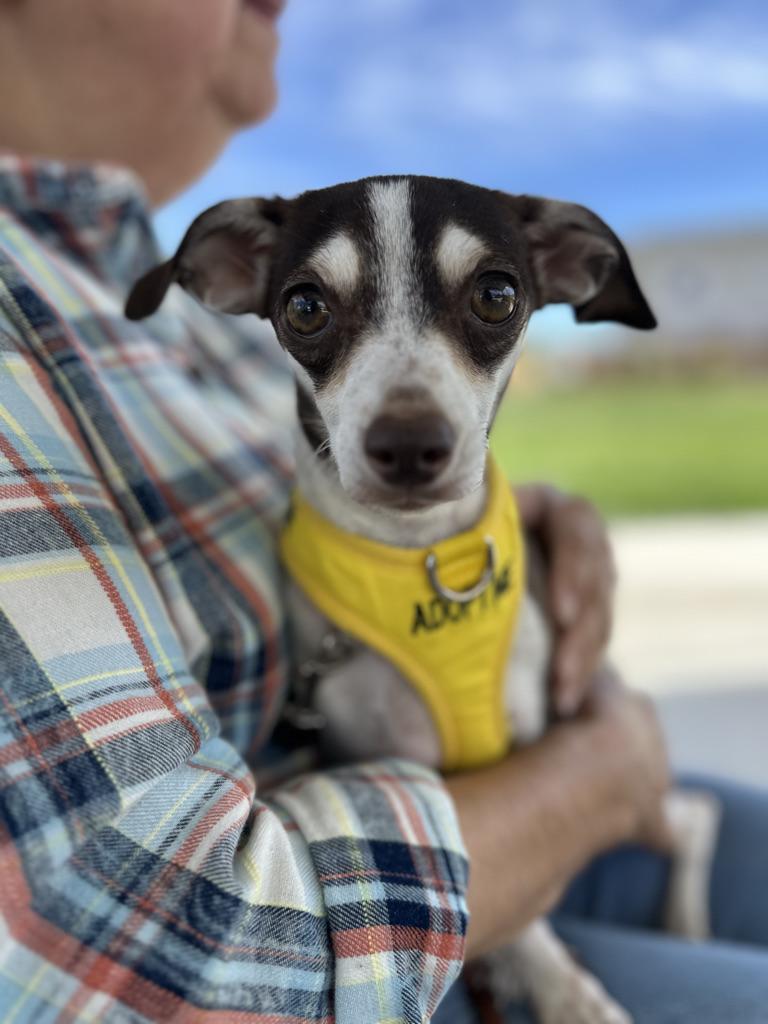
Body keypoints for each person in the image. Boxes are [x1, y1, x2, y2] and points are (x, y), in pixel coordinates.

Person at [0, 2, 765, 1022]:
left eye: (489, 302)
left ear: (568, 270)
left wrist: (533, 522)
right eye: (314, 310)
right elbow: (189, 958)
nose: (407, 417)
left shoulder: (180, 306)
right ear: (232, 273)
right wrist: (594, 780)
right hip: (352, 936)